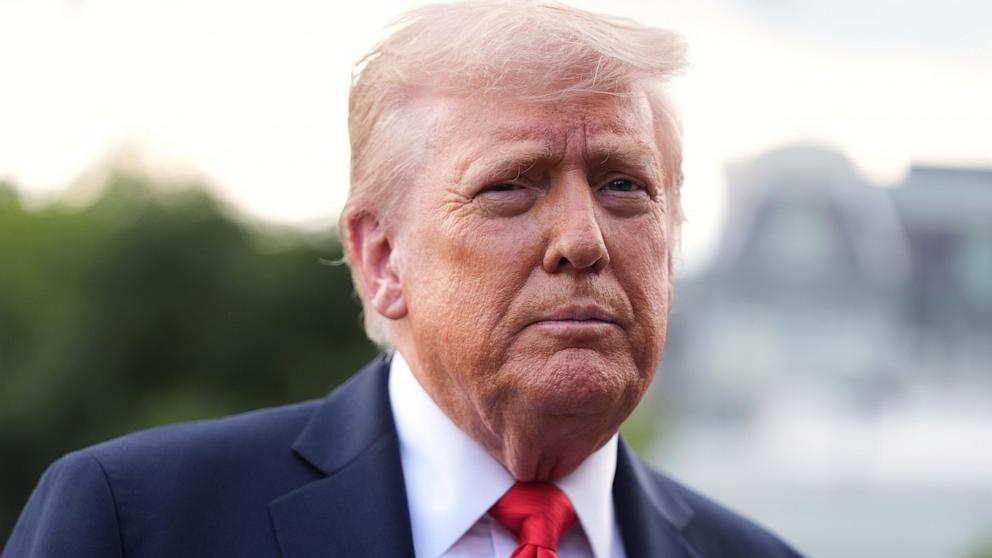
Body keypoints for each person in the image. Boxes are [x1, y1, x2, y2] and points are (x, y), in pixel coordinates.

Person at [3, 1, 803, 556]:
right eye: (511, 185)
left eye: (624, 185)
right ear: (382, 259)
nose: (581, 240)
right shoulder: (139, 525)